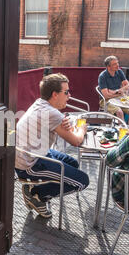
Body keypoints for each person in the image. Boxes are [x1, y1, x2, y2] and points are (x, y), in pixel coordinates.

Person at [15, 73, 89, 218]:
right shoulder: (51, 113)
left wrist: (66, 123)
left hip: (32, 153)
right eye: (66, 92)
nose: (69, 95)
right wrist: (82, 129)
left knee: (73, 163)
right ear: (55, 94)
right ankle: (36, 195)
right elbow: (76, 141)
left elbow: (59, 124)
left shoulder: (40, 103)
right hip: (29, 164)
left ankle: (36, 188)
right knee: (82, 182)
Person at [98, 56, 129, 127]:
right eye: (114, 64)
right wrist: (118, 93)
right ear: (108, 67)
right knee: (119, 112)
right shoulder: (102, 76)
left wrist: (118, 91)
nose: (117, 65)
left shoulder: (119, 72)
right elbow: (106, 96)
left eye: (117, 63)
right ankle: (122, 132)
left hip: (120, 98)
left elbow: (127, 85)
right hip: (106, 100)